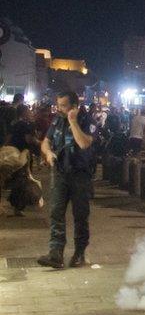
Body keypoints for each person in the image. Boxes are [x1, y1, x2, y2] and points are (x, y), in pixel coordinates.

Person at [37, 91, 95, 269]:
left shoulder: (87, 121)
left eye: (63, 105)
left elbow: (84, 143)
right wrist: (48, 153)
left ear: (74, 106)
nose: (59, 109)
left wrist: (73, 121)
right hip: (60, 173)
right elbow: (45, 141)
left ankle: (79, 253)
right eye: (58, 105)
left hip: (80, 175)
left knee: (80, 215)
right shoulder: (57, 120)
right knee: (56, 212)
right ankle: (56, 253)